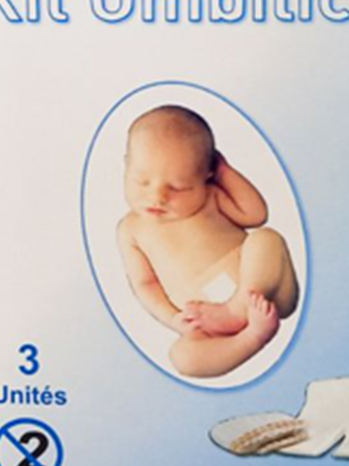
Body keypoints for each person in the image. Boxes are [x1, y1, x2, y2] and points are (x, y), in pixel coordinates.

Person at [117, 105, 298, 378]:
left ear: (206, 175)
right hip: (206, 318)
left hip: (262, 291)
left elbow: (256, 215)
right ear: (126, 165)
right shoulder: (130, 229)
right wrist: (173, 319)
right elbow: (145, 284)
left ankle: (237, 308)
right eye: (141, 181)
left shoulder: (209, 197)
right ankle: (251, 338)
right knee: (183, 358)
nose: (157, 197)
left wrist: (225, 172)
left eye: (178, 187)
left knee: (266, 240)